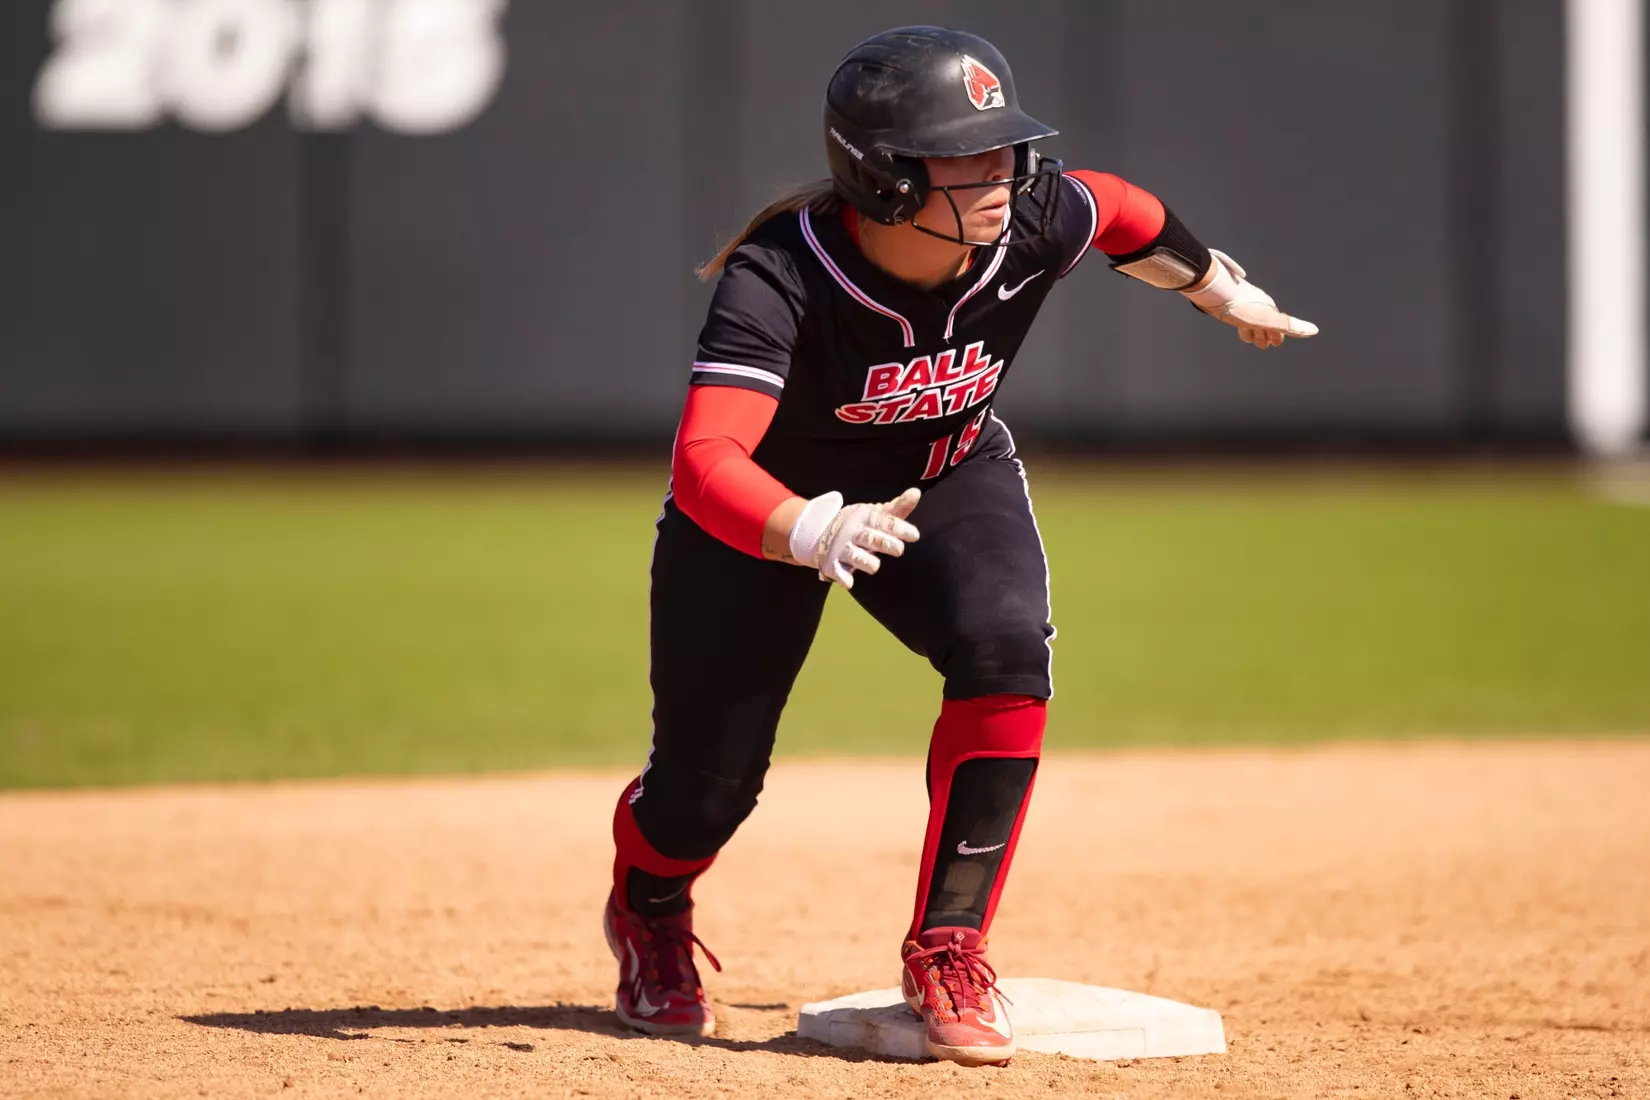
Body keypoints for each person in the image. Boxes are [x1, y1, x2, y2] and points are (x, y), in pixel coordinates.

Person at [602, 25, 1316, 1066]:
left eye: (1006, 148)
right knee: (704, 793)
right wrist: (813, 524)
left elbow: (1123, 210)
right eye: (967, 154)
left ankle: (949, 945)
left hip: (944, 471)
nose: (1005, 172)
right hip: (764, 513)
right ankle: (650, 905)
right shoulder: (780, 276)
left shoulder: (1029, 217)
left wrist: (1217, 286)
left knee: (1005, 650)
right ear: (885, 176)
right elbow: (707, 458)